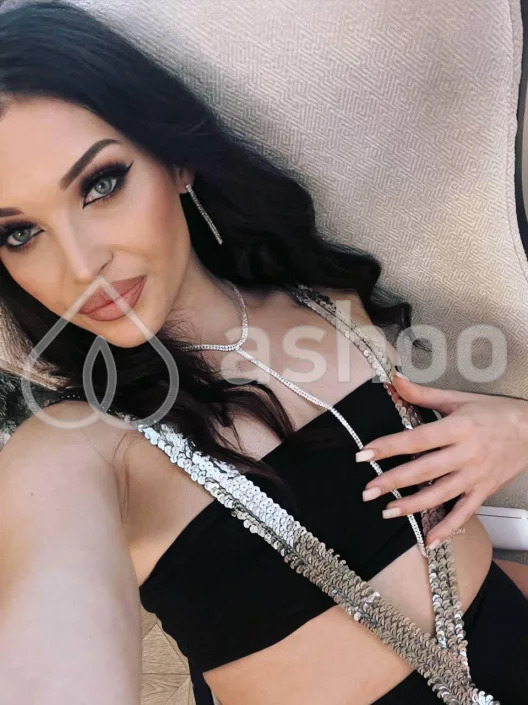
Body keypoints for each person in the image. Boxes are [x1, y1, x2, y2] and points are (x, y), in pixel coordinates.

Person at [0, 2, 526, 704]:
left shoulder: (330, 301)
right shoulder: (77, 445)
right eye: (18, 233)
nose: (80, 263)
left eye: (100, 185)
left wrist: (519, 427)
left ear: (177, 161)